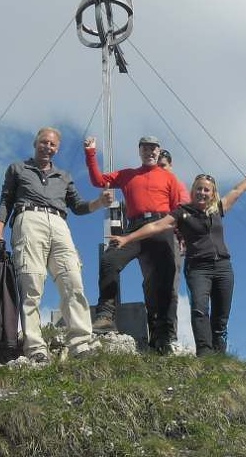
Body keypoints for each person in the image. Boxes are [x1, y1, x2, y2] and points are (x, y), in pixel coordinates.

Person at [108, 156, 246, 357]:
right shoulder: (182, 212)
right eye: (199, 189)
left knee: (221, 316)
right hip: (198, 268)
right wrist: (127, 238)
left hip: (223, 267)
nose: (202, 192)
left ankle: (219, 353)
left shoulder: (218, 209)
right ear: (193, 191)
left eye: (206, 190)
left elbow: (238, 190)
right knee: (199, 309)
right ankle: (205, 353)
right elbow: (156, 226)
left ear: (212, 193)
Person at [0, 127, 114, 363]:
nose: (48, 147)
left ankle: (80, 343)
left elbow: (77, 206)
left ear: (57, 149)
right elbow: (5, 199)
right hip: (28, 219)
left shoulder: (64, 176)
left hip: (59, 223)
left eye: (53, 144)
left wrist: (99, 202)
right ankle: (35, 346)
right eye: (44, 142)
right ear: (35, 143)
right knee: (31, 284)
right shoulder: (18, 168)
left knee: (73, 280)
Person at [84, 135, 185, 354]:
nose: (149, 152)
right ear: (139, 152)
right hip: (135, 228)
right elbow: (98, 181)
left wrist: (181, 236)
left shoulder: (169, 178)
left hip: (162, 228)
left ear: (159, 152)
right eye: (145, 149)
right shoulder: (128, 174)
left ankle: (162, 337)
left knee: (164, 283)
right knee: (110, 259)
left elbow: (179, 209)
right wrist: (91, 153)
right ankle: (105, 315)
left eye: (153, 149)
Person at [155, 148, 191, 349]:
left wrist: (183, 238)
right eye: (158, 166)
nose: (160, 170)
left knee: (170, 287)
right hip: (151, 237)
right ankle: (156, 333)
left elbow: (185, 212)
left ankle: (169, 335)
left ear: (170, 165)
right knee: (151, 286)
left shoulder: (177, 185)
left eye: (164, 166)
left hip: (173, 239)